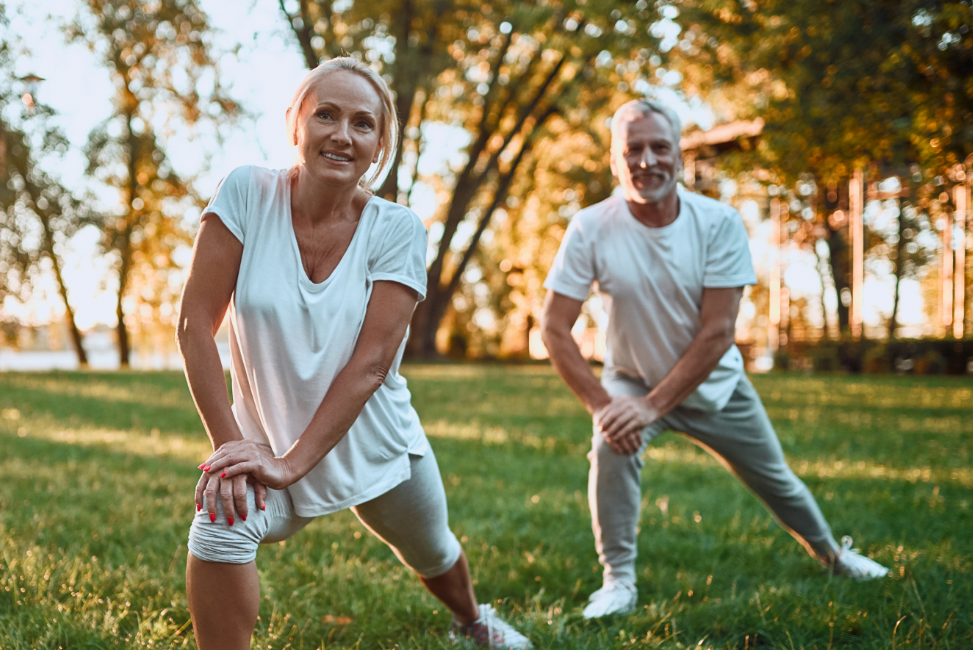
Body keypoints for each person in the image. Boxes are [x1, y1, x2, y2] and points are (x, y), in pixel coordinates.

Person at [175, 57, 531, 650]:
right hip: (264, 443)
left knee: (433, 548)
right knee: (218, 527)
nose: (342, 134)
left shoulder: (397, 229)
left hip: (373, 443)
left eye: (362, 124)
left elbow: (369, 366)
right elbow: (194, 323)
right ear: (296, 125)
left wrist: (293, 465)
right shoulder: (246, 192)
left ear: (378, 146)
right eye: (326, 115)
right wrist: (233, 447)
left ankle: (473, 619)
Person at [539, 99, 891, 620]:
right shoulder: (590, 227)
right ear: (615, 161)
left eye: (660, 147)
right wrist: (603, 406)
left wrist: (653, 407)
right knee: (610, 448)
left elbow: (718, 332)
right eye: (632, 149)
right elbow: (552, 327)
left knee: (776, 479)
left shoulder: (719, 222)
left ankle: (834, 555)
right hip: (630, 380)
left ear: (680, 157)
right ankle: (618, 582)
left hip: (714, 386)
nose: (647, 160)